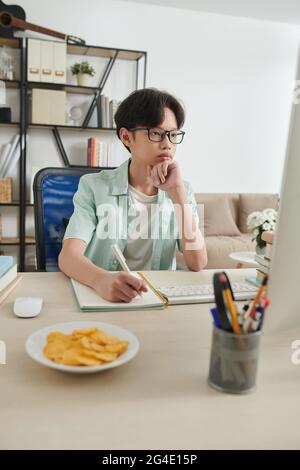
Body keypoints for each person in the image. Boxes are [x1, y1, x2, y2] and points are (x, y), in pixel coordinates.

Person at [58, 88, 207, 302]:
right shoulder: (93, 186)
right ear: (126, 137)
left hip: (154, 298)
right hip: (100, 297)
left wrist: (177, 194)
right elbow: (68, 257)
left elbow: (198, 262)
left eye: (173, 135)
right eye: (156, 133)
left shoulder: (184, 190)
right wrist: (101, 280)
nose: (167, 144)